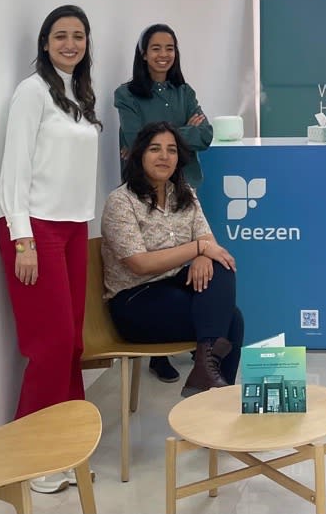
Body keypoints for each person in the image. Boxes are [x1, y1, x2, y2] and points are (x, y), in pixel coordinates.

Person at [0, 4, 102, 494]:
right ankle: (30, 459)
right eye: (60, 35)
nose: (70, 44)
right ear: (44, 42)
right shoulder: (31, 92)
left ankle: (66, 449)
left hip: (73, 227)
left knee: (74, 344)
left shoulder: (78, 96)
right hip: (33, 230)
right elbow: (14, 168)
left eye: (78, 36)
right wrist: (23, 238)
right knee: (50, 345)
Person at [101, 122, 244, 397]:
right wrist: (198, 249)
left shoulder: (185, 193)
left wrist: (203, 252)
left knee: (222, 268)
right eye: (155, 149)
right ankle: (214, 397)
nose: (164, 156)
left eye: (171, 150)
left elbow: (209, 243)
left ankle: (207, 376)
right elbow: (140, 263)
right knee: (231, 320)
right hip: (134, 300)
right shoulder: (121, 201)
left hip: (174, 286)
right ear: (139, 154)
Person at [115, 24, 213, 383]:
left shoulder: (183, 91)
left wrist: (166, 133)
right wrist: (182, 131)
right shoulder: (126, 94)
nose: (163, 55)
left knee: (200, 262)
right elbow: (134, 139)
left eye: (169, 48)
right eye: (155, 48)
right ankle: (161, 354)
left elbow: (207, 134)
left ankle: (202, 348)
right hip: (148, 193)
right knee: (161, 265)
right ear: (143, 53)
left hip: (186, 189)